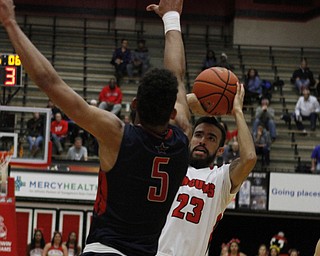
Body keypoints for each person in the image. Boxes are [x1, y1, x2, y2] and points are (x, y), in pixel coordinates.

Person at [0, 1, 192, 256]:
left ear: (134, 104)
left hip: (104, 250)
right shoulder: (183, 137)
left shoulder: (117, 134)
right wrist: (171, 18)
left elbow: (49, 82)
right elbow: (177, 76)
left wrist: (10, 23)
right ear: (173, 113)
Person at [157, 86, 257, 255]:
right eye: (198, 135)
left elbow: (249, 158)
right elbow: (154, 115)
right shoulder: (171, 164)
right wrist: (190, 101)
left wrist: (237, 111)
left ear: (220, 150)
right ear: (190, 139)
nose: (202, 141)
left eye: (211, 138)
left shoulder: (220, 178)